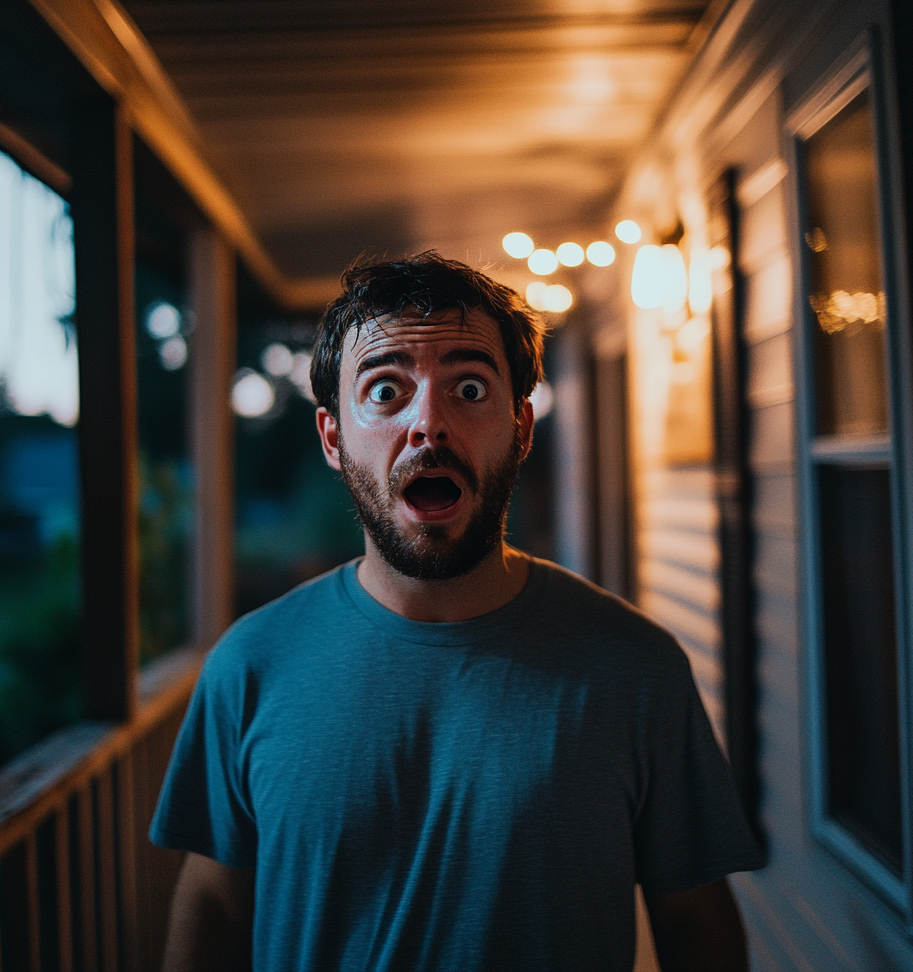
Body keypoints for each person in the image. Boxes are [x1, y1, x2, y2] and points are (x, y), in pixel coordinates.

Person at [150, 252, 763, 972]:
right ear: (333, 439)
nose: (428, 425)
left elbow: (695, 920)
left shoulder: (635, 667)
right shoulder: (250, 667)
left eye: (469, 387)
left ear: (522, 428)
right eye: (385, 391)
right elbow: (214, 906)